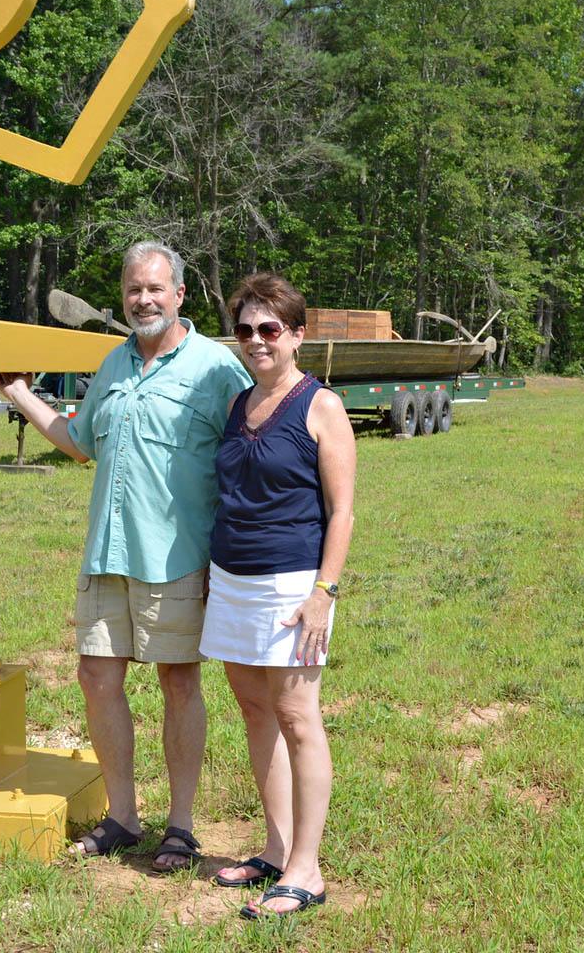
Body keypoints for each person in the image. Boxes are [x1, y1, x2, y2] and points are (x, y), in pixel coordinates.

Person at [0, 241, 250, 871]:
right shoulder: (110, 365)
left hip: (179, 556)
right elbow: (80, 443)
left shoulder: (217, 369)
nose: (144, 299)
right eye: (134, 289)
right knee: (96, 678)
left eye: (156, 289)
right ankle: (122, 816)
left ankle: (182, 827)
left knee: (178, 681)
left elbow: (252, 449)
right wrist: (20, 394)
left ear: (180, 295)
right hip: (107, 553)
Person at [201, 272, 356, 918]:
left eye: (270, 329)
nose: (258, 340)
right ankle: (275, 847)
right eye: (246, 329)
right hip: (231, 581)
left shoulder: (320, 406)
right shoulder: (240, 403)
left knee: (297, 716)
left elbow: (342, 511)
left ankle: (307, 871)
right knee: (254, 711)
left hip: (292, 583)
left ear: (295, 334)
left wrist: (324, 591)